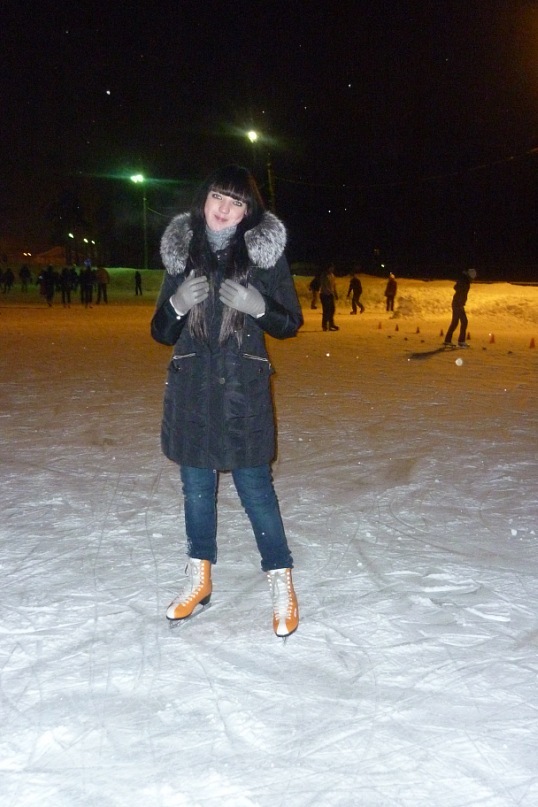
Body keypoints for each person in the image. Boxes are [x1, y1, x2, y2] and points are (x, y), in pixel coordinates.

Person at [151, 164, 303, 637]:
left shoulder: (263, 257)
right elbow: (160, 331)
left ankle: (280, 579)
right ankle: (199, 578)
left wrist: (259, 306)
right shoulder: (183, 253)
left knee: (256, 491)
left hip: (242, 393)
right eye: (219, 196)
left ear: (247, 212)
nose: (224, 208)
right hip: (193, 390)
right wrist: (176, 304)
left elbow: (289, 322)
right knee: (196, 491)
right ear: (204, 198)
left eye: (237, 202)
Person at [443, 267, 477, 347]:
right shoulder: (464, 282)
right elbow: (459, 290)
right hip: (458, 304)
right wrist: (460, 303)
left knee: (455, 322)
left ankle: (448, 340)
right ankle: (461, 341)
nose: (473, 280)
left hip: (457, 303)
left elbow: (456, 288)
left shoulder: (464, 280)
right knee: (464, 322)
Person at [319, 264, 339, 330]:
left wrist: (335, 293)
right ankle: (324, 325)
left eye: (333, 268)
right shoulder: (324, 275)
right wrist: (329, 291)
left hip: (330, 294)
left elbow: (334, 285)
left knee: (332, 309)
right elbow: (323, 285)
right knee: (326, 310)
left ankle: (331, 324)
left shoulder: (332, 275)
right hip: (324, 294)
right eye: (331, 268)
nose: (332, 269)